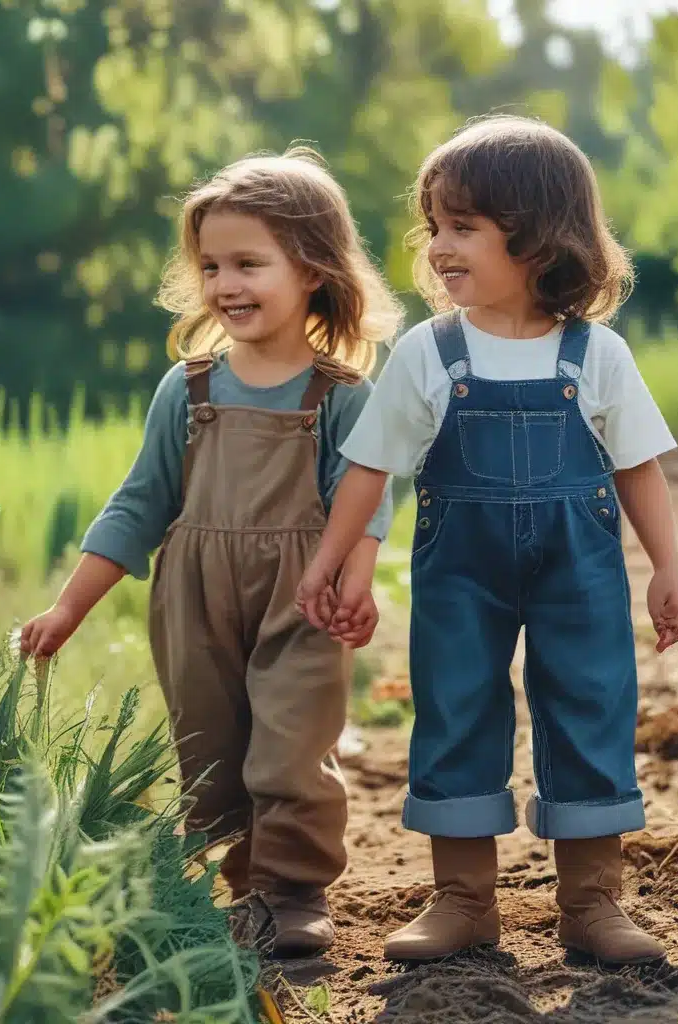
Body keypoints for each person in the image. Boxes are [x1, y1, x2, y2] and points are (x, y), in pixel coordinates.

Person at [296, 115, 678, 966]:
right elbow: (372, 470)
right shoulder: (427, 353)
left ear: (540, 240)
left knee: (590, 707)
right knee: (455, 709)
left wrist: (668, 569)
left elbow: (638, 470)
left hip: (578, 569)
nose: (438, 244)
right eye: (433, 224)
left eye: (463, 226)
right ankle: (463, 901)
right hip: (459, 572)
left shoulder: (598, 355)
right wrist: (336, 565)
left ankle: (592, 904)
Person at [20, 146, 402, 958]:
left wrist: (354, 576)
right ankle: (244, 881)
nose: (226, 283)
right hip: (193, 598)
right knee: (211, 745)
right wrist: (68, 606)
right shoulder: (188, 389)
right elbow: (139, 503)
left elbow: (367, 497)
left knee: (292, 743)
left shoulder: (338, 394)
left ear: (312, 268)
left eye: (249, 263)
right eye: (212, 265)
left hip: (304, 594)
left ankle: (294, 889)